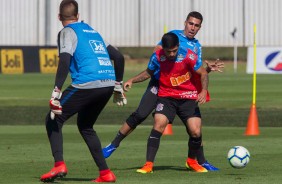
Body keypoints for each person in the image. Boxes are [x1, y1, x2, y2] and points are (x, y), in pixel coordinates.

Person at [103, 11, 223, 171]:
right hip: (159, 84)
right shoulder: (173, 35)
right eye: (191, 23)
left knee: (193, 128)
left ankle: (200, 160)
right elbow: (157, 51)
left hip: (180, 89)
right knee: (140, 114)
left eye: (196, 25)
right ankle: (113, 144)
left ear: (200, 27)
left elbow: (196, 71)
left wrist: (207, 69)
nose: (192, 28)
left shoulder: (196, 47)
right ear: (185, 23)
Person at [40, 0, 126, 182]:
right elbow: (118, 57)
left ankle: (59, 165)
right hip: (108, 84)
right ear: (78, 16)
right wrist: (118, 84)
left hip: (87, 83)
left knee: (53, 118)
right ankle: (105, 173)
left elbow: (64, 60)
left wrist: (56, 91)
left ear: (59, 17)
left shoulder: (66, 32)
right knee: (86, 126)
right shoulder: (93, 32)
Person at [135, 32, 208, 173]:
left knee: (195, 130)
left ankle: (192, 161)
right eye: (169, 52)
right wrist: (132, 80)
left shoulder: (189, 55)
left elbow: (203, 73)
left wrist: (203, 91)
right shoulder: (157, 56)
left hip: (187, 97)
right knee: (159, 123)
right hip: (167, 97)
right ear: (163, 49)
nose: (172, 54)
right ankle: (148, 164)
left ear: (178, 46)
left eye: (174, 51)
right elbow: (148, 73)